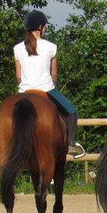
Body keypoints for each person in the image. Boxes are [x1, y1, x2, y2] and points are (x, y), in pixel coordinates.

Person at [13, 10, 85, 159]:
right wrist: (51, 84)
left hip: (24, 90)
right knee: (72, 112)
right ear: (40, 27)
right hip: (46, 89)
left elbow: (18, 76)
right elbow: (54, 74)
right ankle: (70, 144)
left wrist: (26, 84)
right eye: (44, 26)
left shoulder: (17, 48)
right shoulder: (51, 47)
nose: (45, 28)